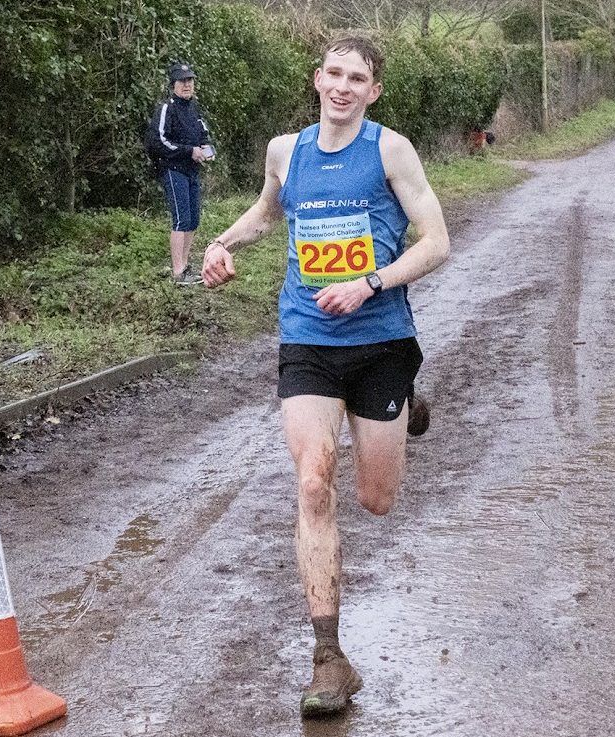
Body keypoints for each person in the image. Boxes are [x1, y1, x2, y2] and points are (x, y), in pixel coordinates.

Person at [202, 36, 449, 716]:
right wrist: (221, 246)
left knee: (375, 498)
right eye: (334, 74)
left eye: (358, 78)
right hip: (307, 338)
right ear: (317, 79)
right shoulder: (286, 149)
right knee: (313, 478)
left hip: (379, 339)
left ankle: (401, 410)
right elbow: (265, 211)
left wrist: (369, 282)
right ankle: (329, 659)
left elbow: (436, 241)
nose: (343, 86)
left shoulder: (389, 151)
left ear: (373, 91)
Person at [146, 62, 214, 285]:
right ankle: (177, 272)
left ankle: (184, 266)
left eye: (190, 81)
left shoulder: (194, 109)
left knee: (194, 219)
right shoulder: (167, 108)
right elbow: (157, 141)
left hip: (193, 171)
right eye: (182, 81)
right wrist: (189, 151)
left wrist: (206, 150)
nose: (187, 85)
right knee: (181, 220)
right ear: (173, 84)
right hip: (173, 170)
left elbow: (202, 135)